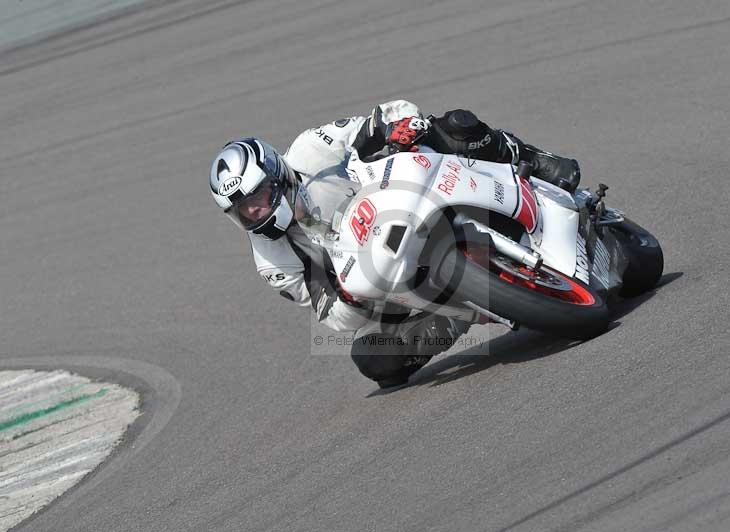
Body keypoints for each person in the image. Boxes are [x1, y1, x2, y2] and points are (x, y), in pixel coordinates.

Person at [209, 101, 580, 388]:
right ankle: (456, 317)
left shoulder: (310, 149)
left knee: (452, 125)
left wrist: (401, 127)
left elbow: (383, 116)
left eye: (257, 196)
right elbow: (331, 316)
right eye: (243, 209)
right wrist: (350, 297)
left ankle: (532, 160)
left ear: (277, 174)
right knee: (374, 360)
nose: (255, 211)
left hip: (405, 196)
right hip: (390, 279)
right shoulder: (272, 260)